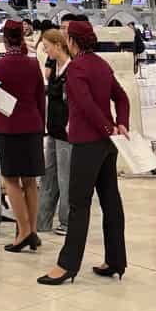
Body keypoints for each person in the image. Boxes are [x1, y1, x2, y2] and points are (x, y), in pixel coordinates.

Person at [38, 21, 129, 286]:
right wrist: (119, 124)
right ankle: (116, 259)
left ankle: (67, 265)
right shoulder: (101, 64)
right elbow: (121, 97)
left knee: (78, 204)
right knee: (111, 201)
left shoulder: (76, 68)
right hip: (107, 146)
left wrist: (104, 127)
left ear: (74, 41)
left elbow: (86, 105)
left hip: (87, 143)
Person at [0, 20, 45, 253]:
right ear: (22, 37)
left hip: (8, 126)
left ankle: (23, 232)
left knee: (11, 179)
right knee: (30, 181)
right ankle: (33, 230)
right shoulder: (32, 65)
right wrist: (42, 124)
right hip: (32, 125)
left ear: (4, 38)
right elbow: (41, 97)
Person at [36, 29, 72, 235]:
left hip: (66, 133)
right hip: (53, 129)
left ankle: (66, 221)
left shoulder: (72, 68)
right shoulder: (55, 66)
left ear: (58, 45)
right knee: (49, 175)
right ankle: (42, 220)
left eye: (47, 47)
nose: (46, 51)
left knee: (65, 178)